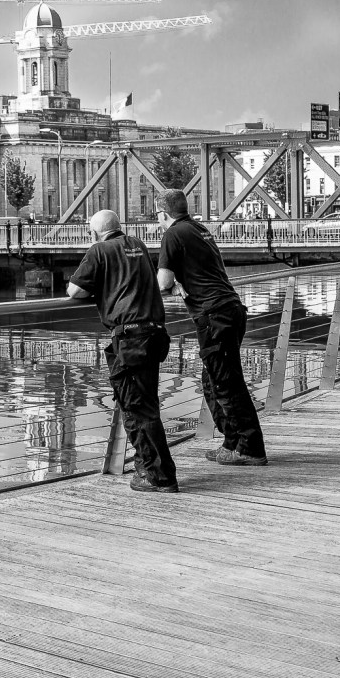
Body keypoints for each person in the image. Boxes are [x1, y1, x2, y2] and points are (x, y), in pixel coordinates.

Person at [67, 209, 179, 493]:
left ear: (94, 233)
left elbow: (74, 291)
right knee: (146, 405)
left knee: (137, 409)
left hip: (131, 339)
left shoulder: (98, 250)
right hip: (154, 333)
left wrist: (100, 288)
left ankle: (158, 476)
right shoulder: (137, 244)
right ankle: (154, 470)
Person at [155, 189, 268, 466]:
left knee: (227, 384)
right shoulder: (199, 229)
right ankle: (232, 443)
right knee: (213, 381)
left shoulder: (172, 234)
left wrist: (174, 283)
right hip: (230, 309)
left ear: (162, 214)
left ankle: (250, 448)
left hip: (214, 315)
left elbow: (162, 282)